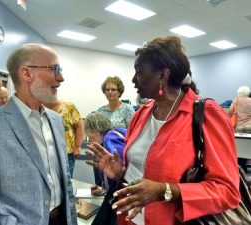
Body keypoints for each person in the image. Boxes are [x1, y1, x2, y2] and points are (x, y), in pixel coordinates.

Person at [86, 36, 240, 225]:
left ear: (163, 75)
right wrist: (121, 174)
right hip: (128, 219)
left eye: (139, 73)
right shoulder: (141, 115)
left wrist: (165, 191)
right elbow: (142, 174)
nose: (134, 80)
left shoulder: (206, 115)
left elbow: (227, 191)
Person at [0, 43, 77, 225]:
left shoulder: (56, 120)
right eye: (54, 69)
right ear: (27, 73)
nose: (61, 77)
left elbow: (64, 184)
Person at [84, 111, 126, 196]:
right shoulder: (117, 133)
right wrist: (103, 188)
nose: (91, 142)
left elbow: (118, 172)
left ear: (98, 132)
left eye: (91, 138)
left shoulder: (109, 139)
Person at [45, 99, 84, 178]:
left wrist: (77, 147)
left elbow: (79, 125)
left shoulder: (68, 107)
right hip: (46, 154)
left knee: (66, 180)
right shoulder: (37, 108)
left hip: (66, 154)